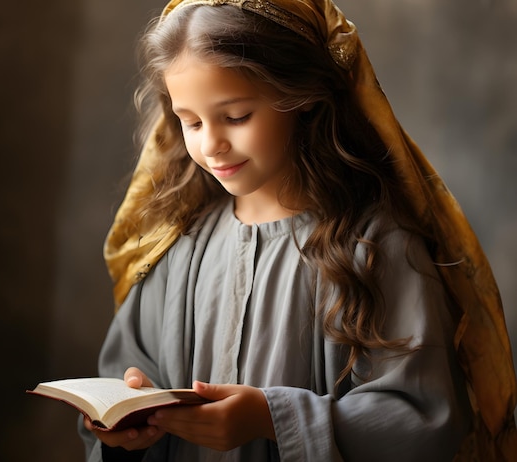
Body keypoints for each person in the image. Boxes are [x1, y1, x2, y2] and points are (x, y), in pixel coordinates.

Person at [79, 0, 517, 460]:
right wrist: (125, 421)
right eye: (190, 121)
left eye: (236, 116)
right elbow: (127, 371)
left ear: (302, 96)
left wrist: (271, 419)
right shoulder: (179, 243)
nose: (211, 145)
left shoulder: (374, 244)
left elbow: (424, 420)